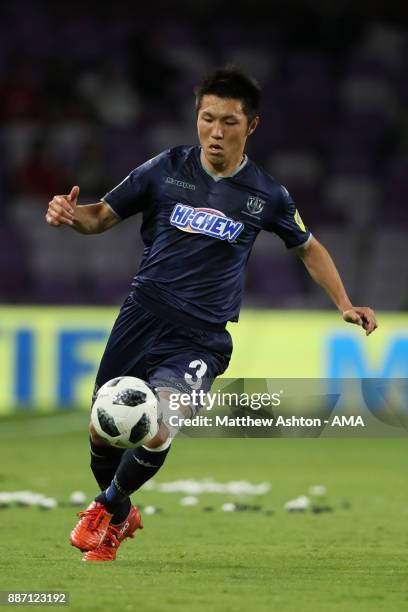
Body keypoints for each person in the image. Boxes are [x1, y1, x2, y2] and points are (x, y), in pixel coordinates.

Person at [46, 67, 378, 562]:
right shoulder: (164, 168)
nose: (215, 132)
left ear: (252, 126)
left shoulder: (267, 194)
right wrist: (73, 216)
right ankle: (120, 515)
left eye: (228, 122)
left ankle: (106, 508)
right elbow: (101, 217)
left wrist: (344, 303)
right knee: (103, 428)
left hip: (200, 337)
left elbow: (309, 247)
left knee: (160, 427)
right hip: (141, 316)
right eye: (206, 119)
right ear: (196, 117)